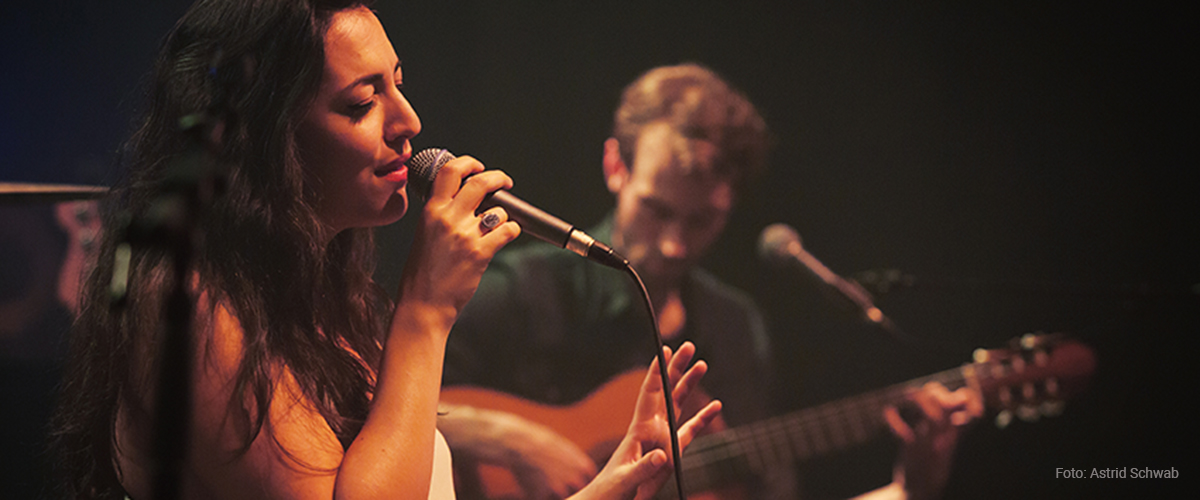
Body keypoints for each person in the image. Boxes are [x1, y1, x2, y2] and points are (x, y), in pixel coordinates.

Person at [46, 2, 720, 499]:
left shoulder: (313, 297)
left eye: (398, 82)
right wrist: (426, 313)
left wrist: (610, 486)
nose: (410, 123)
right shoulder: (193, 304)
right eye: (364, 101)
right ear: (261, 137)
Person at [439, 64, 982, 500]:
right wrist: (509, 438)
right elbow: (378, 409)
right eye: (656, 210)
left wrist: (909, 489)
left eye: (701, 220)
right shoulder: (519, 288)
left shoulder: (735, 329)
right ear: (615, 165)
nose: (674, 243)